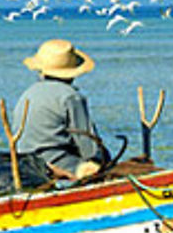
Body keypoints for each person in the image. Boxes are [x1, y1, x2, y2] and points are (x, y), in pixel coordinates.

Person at [14, 39, 109, 180]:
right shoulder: (71, 97)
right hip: (59, 164)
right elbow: (88, 148)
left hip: (26, 164)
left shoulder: (28, 93)